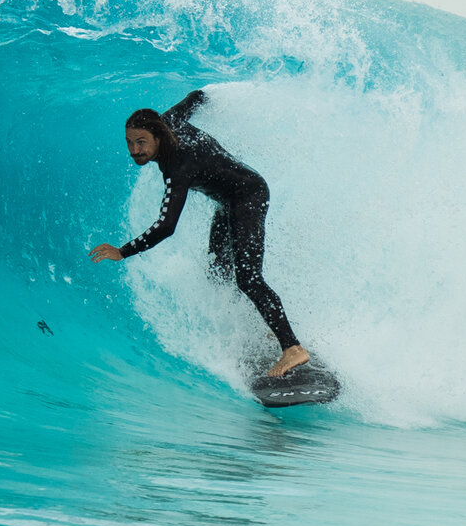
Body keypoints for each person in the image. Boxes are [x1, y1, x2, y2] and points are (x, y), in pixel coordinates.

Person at [88, 89, 313, 380]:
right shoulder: (170, 120)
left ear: (157, 137)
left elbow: (167, 226)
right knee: (218, 270)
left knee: (248, 276)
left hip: (249, 196)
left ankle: (292, 347)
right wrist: (220, 95)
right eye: (129, 142)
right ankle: (267, 328)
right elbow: (196, 97)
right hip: (228, 202)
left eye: (141, 142)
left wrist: (123, 251)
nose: (134, 150)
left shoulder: (178, 166)